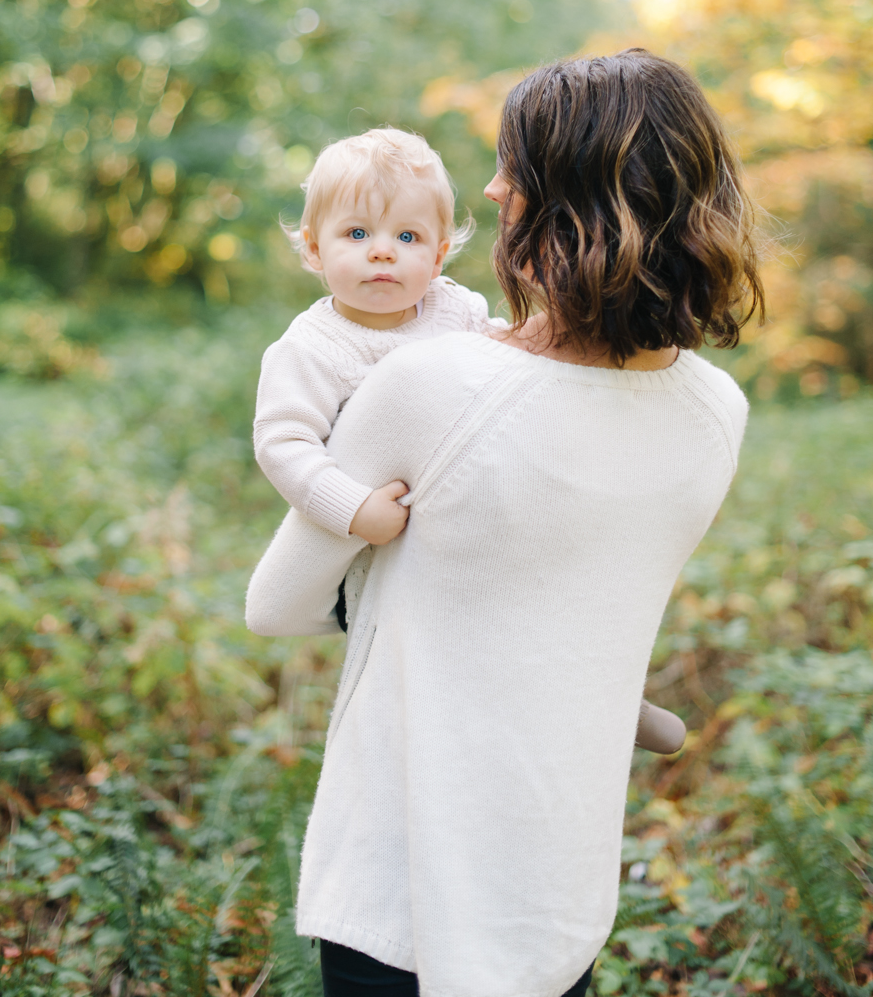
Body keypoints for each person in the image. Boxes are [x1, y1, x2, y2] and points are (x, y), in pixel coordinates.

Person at [246, 49, 763, 997]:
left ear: (569, 202)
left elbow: (277, 604)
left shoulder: (430, 384)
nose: (489, 186)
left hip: (406, 883)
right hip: (559, 879)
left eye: (512, 169)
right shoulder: (716, 411)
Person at [253, 126, 684, 753]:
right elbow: (282, 443)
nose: (382, 252)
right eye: (356, 234)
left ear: (439, 253)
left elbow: (505, 375)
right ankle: (530, 701)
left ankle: (604, 685)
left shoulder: (456, 312)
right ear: (314, 250)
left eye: (407, 237)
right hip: (381, 546)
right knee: (452, 635)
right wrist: (352, 509)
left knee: (542, 574)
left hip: (472, 511)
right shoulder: (310, 349)